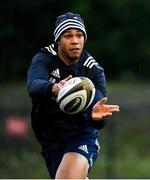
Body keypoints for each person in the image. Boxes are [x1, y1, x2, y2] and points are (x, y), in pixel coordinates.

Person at [27, 12, 120, 179]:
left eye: (79, 35)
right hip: (50, 140)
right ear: (58, 40)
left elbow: (99, 112)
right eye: (68, 36)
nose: (75, 41)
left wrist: (97, 118)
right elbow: (33, 86)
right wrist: (54, 88)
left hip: (81, 135)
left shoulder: (93, 70)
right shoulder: (44, 58)